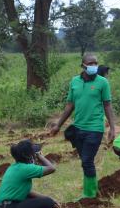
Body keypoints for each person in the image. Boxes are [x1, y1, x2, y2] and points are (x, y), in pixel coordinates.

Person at [50, 53, 116, 199]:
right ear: (83, 65)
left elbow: (107, 105)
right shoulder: (74, 81)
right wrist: (58, 125)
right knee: (85, 160)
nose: (94, 66)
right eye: (91, 63)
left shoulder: (102, 82)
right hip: (78, 128)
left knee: (87, 160)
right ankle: (90, 190)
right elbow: (69, 105)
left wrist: (112, 128)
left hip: (95, 128)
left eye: (96, 63)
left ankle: (89, 195)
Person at [0, 140, 57, 208]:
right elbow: (51, 168)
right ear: (28, 156)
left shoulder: (13, 167)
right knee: (48, 203)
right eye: (34, 153)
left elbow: (27, 193)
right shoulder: (25, 168)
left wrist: (51, 198)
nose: (35, 156)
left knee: (46, 200)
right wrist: (40, 156)